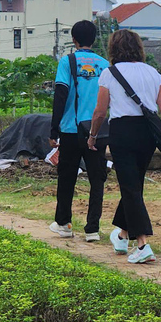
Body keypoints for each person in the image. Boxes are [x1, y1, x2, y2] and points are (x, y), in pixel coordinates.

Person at [87, 29, 161, 264]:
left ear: (114, 48)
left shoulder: (109, 73)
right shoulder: (153, 73)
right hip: (147, 133)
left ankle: (143, 243)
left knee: (130, 187)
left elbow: (100, 111)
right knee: (134, 184)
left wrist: (93, 135)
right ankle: (123, 236)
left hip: (122, 132)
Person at [48, 20, 110, 241]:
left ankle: (64, 224)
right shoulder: (105, 64)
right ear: (93, 39)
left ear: (74, 40)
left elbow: (61, 95)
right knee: (97, 178)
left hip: (71, 130)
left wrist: (53, 130)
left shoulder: (67, 62)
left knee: (67, 177)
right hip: (97, 130)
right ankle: (92, 229)